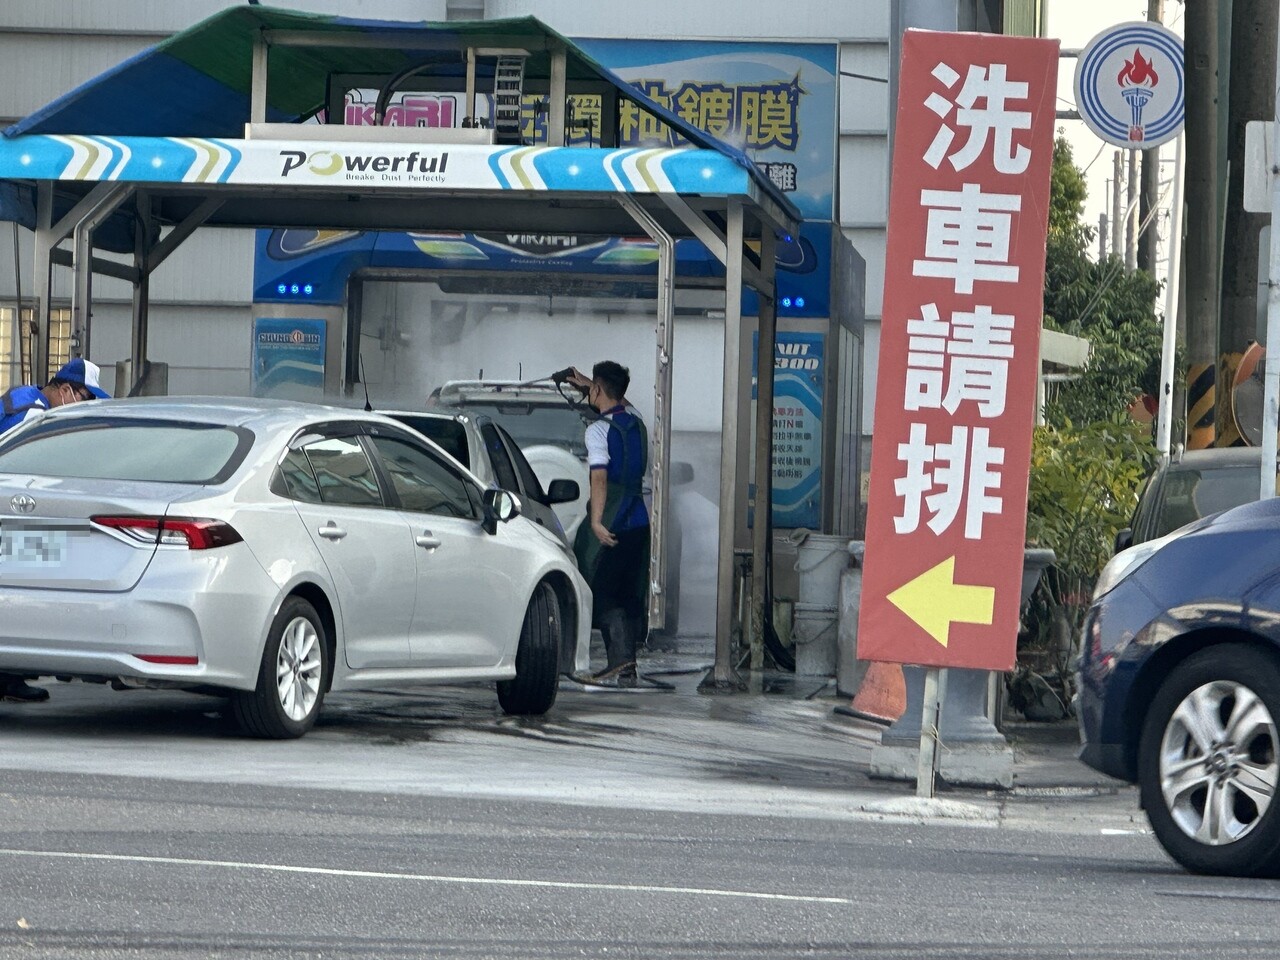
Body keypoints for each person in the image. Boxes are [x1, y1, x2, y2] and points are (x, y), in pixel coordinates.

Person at [0, 357, 111, 702]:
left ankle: (9, 679)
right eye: (86, 399)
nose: (87, 408)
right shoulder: (35, 416)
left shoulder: (23, 397)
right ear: (65, 391)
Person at [567, 361, 650, 686]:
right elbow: (624, 404)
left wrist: (598, 522)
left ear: (599, 390)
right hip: (640, 519)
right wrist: (591, 384)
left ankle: (618, 660)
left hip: (613, 517)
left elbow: (598, 478)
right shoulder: (638, 423)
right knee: (629, 592)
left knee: (599, 589)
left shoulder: (597, 430)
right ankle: (628, 665)